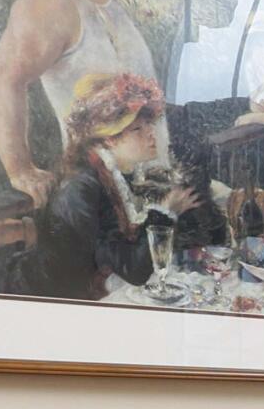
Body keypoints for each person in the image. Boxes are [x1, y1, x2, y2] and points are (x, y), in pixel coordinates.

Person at [0, 0, 167, 206]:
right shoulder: (50, 2)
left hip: (147, 189)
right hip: (100, 195)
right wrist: (20, 170)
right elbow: (3, 80)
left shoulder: (111, 6)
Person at [19, 72, 200, 301]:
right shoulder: (83, 188)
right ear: (108, 138)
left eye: (149, 125)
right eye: (137, 129)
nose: (151, 134)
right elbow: (135, 269)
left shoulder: (113, 174)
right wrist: (165, 212)